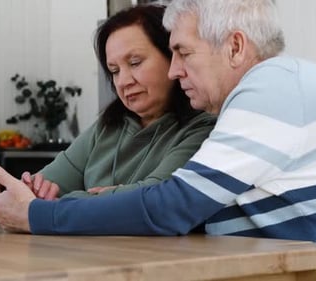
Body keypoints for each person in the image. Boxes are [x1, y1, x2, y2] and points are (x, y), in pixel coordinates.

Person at [0, 1, 316, 279]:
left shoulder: (273, 89)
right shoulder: (270, 90)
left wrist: (37, 216)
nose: (174, 71)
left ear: (234, 46)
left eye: (183, 52)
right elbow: (189, 206)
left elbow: (173, 207)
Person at [18, 5, 216, 201]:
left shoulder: (203, 126)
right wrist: (22, 191)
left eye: (135, 63)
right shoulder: (107, 126)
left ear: (173, 57)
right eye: (114, 71)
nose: (123, 81)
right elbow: (37, 189)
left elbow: (155, 199)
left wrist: (61, 203)